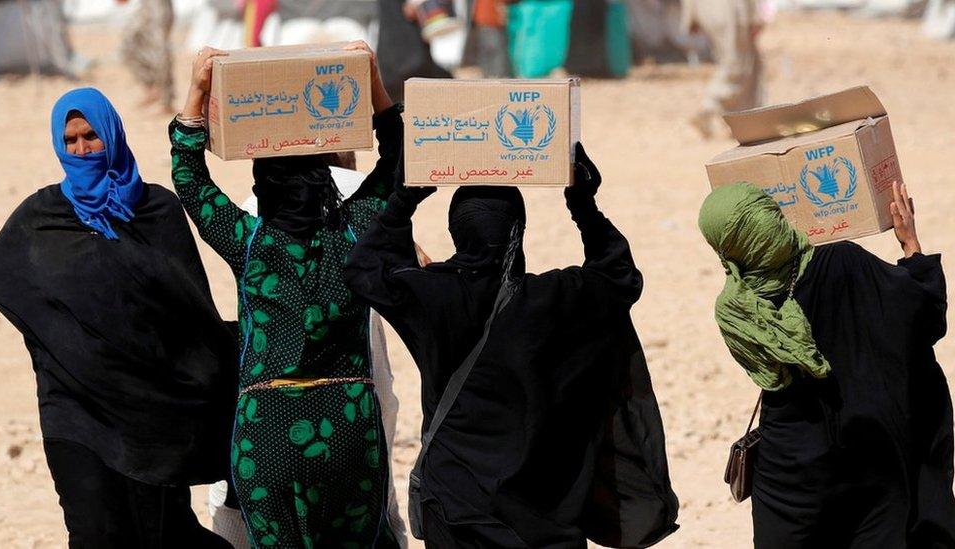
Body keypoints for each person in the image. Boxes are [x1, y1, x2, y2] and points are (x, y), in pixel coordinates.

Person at [345, 145, 680, 548]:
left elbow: (363, 269)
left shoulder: (432, 297)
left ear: (456, 231)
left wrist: (404, 198)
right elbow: (619, 276)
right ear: (518, 231)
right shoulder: (557, 299)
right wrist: (583, 204)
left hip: (456, 505)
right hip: (545, 509)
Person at [0, 88, 236, 548]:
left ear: (113, 134)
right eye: (71, 141)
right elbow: (0, 278)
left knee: (165, 535)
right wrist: (60, 344)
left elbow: (191, 311)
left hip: (152, 417)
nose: (82, 150)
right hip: (74, 413)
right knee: (94, 532)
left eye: (91, 137)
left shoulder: (156, 211)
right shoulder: (42, 216)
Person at [170, 42, 402, 548]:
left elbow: (189, 180)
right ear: (325, 177)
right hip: (347, 426)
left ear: (263, 181)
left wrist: (196, 93)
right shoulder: (355, 234)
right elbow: (400, 162)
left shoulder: (250, 244)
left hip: (268, 429)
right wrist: (374, 83)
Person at [698, 182, 955, 548]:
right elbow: (926, 317)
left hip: (791, 472)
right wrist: (911, 245)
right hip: (870, 452)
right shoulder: (843, 261)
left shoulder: (735, 310)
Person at [680, 0, 764, 138]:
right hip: (732, 11)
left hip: (705, 10)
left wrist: (690, 16)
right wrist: (753, 16)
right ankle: (710, 106)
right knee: (739, 65)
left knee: (731, 63)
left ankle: (738, 122)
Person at [117, 0, 175, 112]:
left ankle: (166, 100)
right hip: (144, 5)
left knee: (159, 50)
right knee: (129, 45)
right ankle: (151, 87)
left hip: (159, 5)